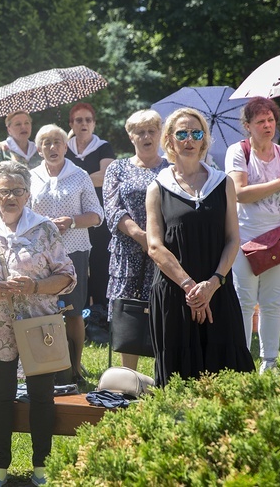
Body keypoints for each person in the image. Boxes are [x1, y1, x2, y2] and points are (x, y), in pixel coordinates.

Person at [0, 161, 76, 487]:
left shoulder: (44, 228)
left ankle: (42, 466)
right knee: (0, 396)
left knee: (41, 396)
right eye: (3, 191)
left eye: (17, 190)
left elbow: (68, 276)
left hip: (39, 325)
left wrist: (35, 286)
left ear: (27, 194)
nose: (10, 196)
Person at [146, 108, 255, 387]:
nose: (189, 139)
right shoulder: (158, 187)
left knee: (229, 378)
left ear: (204, 139)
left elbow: (233, 238)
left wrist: (213, 283)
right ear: (169, 140)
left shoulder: (223, 183)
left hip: (218, 288)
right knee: (178, 382)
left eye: (196, 133)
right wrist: (190, 287)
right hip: (175, 294)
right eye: (182, 133)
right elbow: (155, 246)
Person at [225, 97, 280, 373]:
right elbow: (239, 193)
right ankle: (241, 361)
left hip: (277, 237)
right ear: (248, 126)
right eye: (260, 121)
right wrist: (279, 182)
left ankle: (270, 362)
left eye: (271, 120)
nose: (267, 126)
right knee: (244, 303)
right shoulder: (238, 152)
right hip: (245, 239)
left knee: (272, 304)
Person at [29, 124, 103, 385]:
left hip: (74, 252)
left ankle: (74, 368)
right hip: (39, 254)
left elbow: (97, 216)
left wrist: (70, 221)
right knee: (43, 311)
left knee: (73, 311)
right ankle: (44, 365)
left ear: (66, 146)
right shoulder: (30, 176)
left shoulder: (80, 175)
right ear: (38, 149)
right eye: (46, 142)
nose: (52, 147)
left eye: (57, 142)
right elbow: (23, 216)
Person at [103, 110, 169, 370]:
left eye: (151, 131)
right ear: (131, 136)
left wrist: (155, 242)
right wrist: (142, 237)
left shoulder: (171, 168)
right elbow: (113, 208)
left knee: (161, 309)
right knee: (127, 314)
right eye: (140, 132)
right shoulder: (117, 168)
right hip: (127, 253)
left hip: (163, 251)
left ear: (160, 134)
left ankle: (160, 374)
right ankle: (128, 376)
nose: (146, 136)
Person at [65, 103, 115, 308]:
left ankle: (101, 311)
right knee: (75, 263)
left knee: (100, 262)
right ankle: (79, 310)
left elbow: (106, 177)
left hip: (98, 214)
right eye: (79, 120)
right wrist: (87, 179)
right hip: (73, 216)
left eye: (88, 120)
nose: (83, 123)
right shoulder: (64, 148)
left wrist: (74, 179)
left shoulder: (103, 147)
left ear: (94, 124)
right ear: (72, 124)